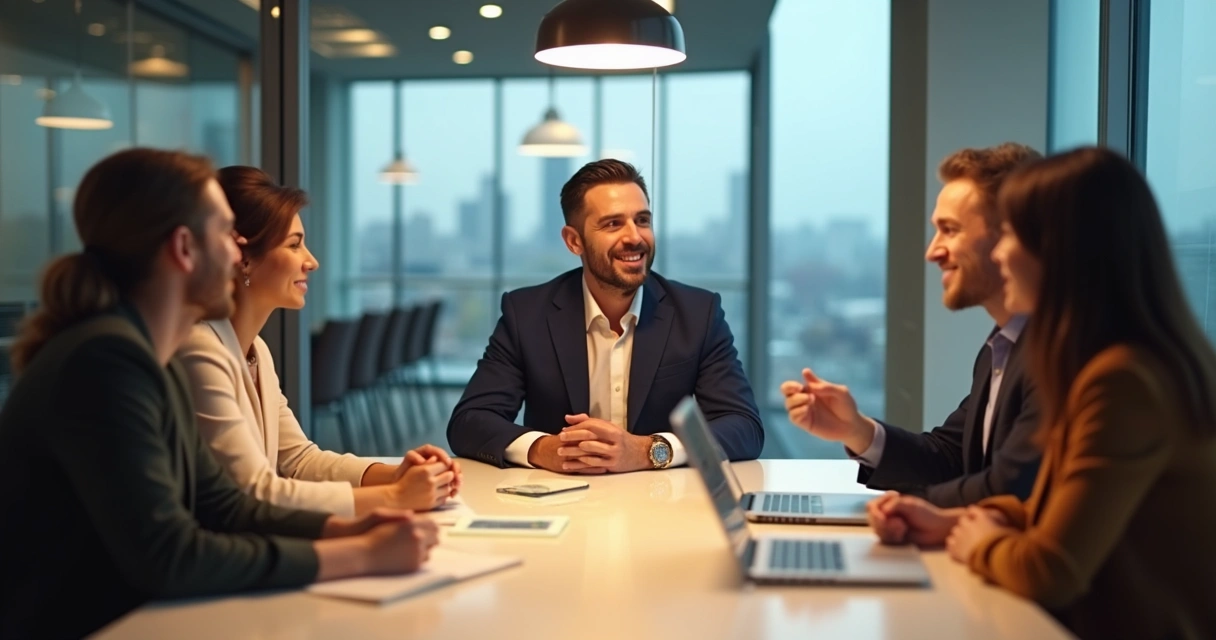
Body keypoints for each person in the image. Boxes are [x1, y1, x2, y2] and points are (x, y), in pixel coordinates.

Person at [0, 149, 439, 638]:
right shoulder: (105, 361)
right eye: (225, 235)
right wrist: (360, 554)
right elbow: (172, 556)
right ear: (185, 249)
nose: (236, 252)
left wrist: (352, 527)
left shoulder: (145, 357)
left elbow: (225, 506)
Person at [869, 147, 1216, 640]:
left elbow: (1050, 570)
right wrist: (953, 522)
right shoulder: (1100, 362)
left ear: (1061, 248)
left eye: (1010, 233)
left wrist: (978, 542)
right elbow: (1054, 504)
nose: (1001, 252)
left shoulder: (1125, 380)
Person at [176, 166, 460, 518]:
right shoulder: (199, 348)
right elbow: (253, 492)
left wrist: (396, 474)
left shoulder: (256, 350)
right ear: (243, 257)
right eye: (294, 245)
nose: (312, 261)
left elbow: (297, 459)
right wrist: (395, 496)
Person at [447, 159, 763, 473]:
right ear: (574, 241)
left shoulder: (697, 313)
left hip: (661, 503)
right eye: (613, 224)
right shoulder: (527, 314)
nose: (635, 237)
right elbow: (469, 421)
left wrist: (648, 450)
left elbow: (743, 427)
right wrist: (544, 449)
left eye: (642, 220)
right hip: (561, 503)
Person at [780, 143, 1042, 506]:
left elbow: (1006, 490)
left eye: (950, 230)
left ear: (1009, 235)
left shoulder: (1057, 354)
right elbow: (952, 459)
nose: (932, 251)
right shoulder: (1001, 347)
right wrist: (857, 431)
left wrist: (918, 513)